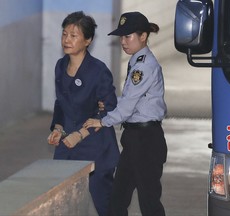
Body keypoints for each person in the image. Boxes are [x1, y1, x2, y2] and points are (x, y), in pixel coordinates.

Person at [83, 11, 167, 216]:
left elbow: (128, 106)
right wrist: (111, 106)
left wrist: (103, 120)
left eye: (128, 36)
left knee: (149, 202)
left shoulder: (144, 66)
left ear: (143, 36)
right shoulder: (137, 62)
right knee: (118, 198)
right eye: (121, 37)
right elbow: (133, 100)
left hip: (146, 140)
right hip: (134, 138)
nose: (123, 41)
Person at [47, 11, 120, 216]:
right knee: (61, 201)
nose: (66, 40)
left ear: (88, 40)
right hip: (67, 146)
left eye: (73, 35)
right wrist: (58, 128)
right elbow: (60, 103)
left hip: (95, 146)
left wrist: (80, 134)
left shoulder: (98, 71)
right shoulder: (61, 66)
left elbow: (109, 108)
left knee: (105, 204)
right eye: (64, 34)